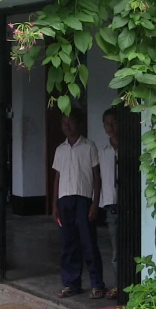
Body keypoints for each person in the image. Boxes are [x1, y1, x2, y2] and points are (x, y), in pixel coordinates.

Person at [52, 107, 106, 299]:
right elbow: (57, 179)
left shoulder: (89, 147)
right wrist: (54, 205)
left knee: (88, 243)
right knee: (68, 244)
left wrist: (95, 203)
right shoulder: (60, 149)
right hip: (64, 201)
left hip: (84, 200)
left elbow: (96, 177)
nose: (67, 125)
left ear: (79, 123)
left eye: (71, 121)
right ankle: (71, 283)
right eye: (64, 122)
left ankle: (97, 284)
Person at [99, 107, 120, 300]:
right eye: (107, 123)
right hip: (110, 205)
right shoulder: (103, 153)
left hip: (127, 205)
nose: (110, 127)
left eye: (114, 122)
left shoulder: (129, 149)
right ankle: (118, 284)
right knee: (115, 249)